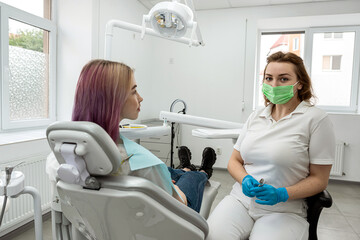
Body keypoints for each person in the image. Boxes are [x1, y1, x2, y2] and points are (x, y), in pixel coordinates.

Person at [46, 59, 217, 213]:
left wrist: (161, 181)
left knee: (169, 171)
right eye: (134, 91)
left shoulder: (65, 157)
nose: (140, 98)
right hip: (177, 208)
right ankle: (202, 171)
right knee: (191, 177)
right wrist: (173, 189)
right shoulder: (144, 164)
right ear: (114, 100)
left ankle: (184, 167)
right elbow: (178, 205)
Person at [206, 51, 335, 240]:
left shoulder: (316, 119)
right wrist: (245, 180)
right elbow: (235, 161)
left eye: (283, 79)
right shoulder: (256, 116)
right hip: (240, 201)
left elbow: (319, 179)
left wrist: (282, 194)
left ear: (299, 83)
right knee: (212, 236)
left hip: (285, 210)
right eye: (269, 78)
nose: (274, 85)